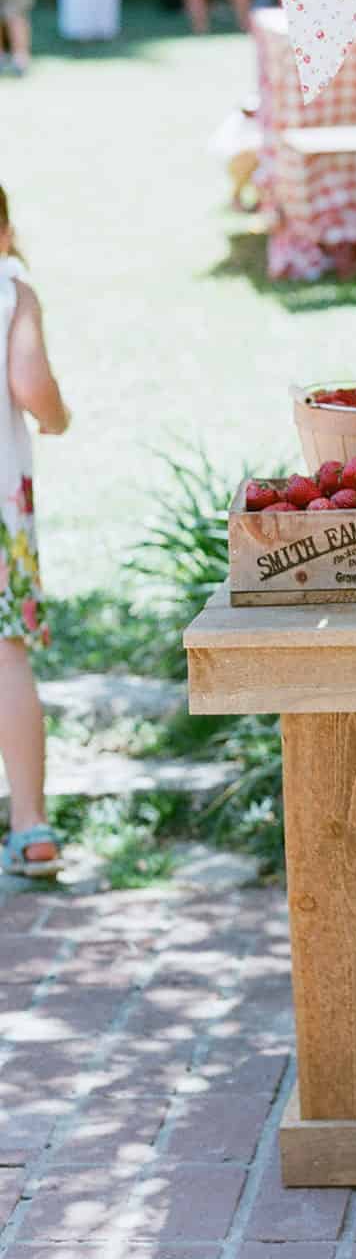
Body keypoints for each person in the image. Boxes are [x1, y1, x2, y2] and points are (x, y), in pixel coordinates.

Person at [0, 185, 70, 879]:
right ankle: (30, 824)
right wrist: (57, 417)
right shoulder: (12, 289)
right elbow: (29, 379)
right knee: (5, 659)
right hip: (0, 507)